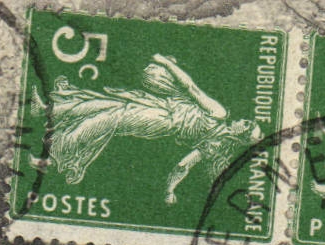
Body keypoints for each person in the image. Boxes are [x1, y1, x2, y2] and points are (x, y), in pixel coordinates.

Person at [36, 55, 261, 200]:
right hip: (163, 107)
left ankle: (55, 154)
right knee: (111, 103)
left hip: (163, 119)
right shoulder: (216, 142)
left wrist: (167, 63)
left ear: (242, 133)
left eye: (248, 125)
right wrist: (169, 190)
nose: (244, 120)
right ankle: (51, 109)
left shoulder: (219, 115)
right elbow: (184, 165)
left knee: (112, 116)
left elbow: (191, 88)